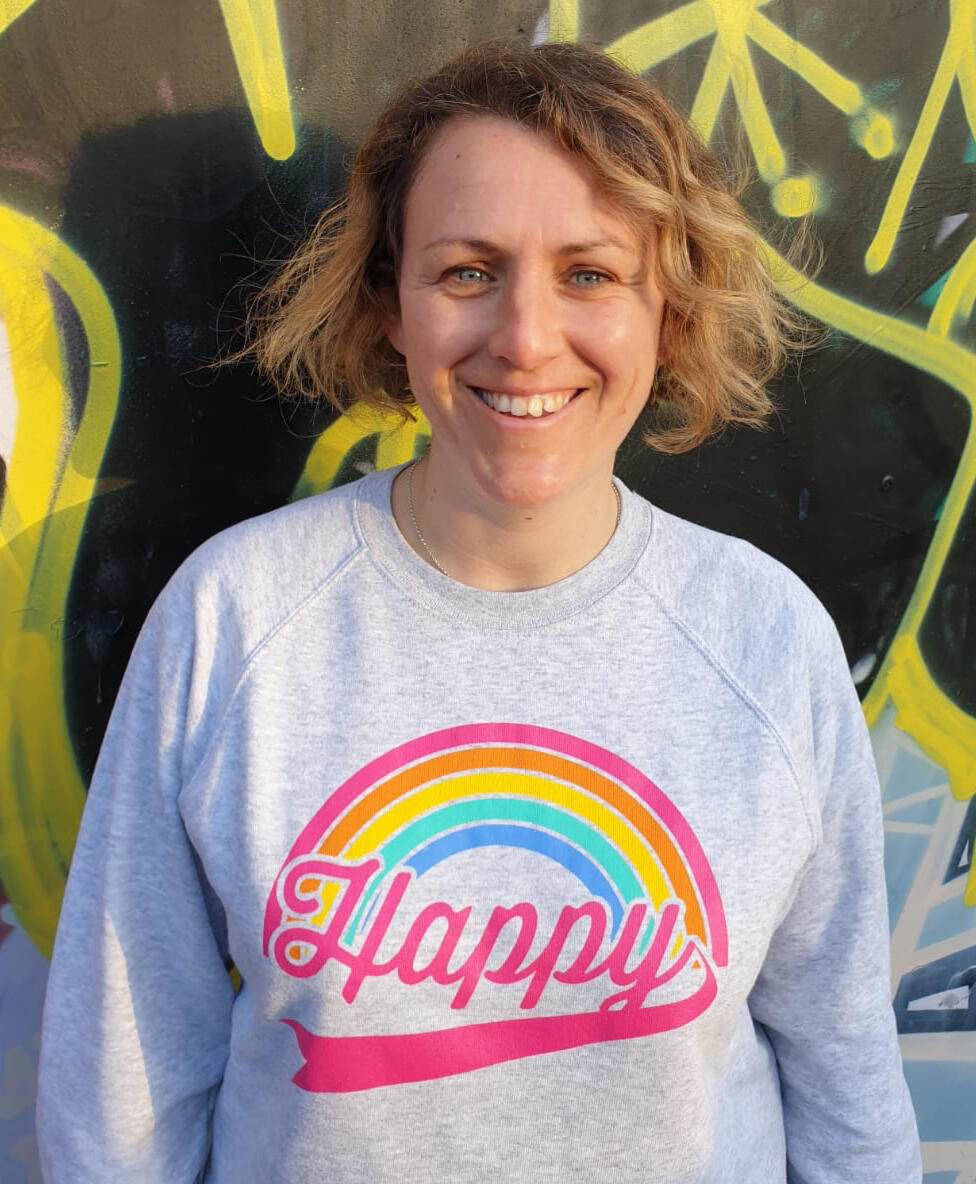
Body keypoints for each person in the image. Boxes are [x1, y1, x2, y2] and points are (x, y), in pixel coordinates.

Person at [36, 40, 921, 1183]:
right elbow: (122, 1105)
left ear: (670, 307)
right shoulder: (234, 620)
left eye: (591, 273)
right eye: (467, 270)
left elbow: (847, 1087)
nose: (525, 336)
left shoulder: (765, 637)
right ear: (390, 305)